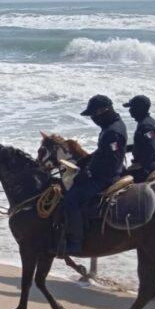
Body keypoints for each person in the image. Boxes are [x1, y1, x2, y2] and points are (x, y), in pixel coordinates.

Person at [60, 94, 127, 256]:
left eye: (93, 115)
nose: (92, 119)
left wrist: (87, 173)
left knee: (71, 200)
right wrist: (86, 160)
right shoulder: (112, 126)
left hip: (106, 177)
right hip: (106, 172)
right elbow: (102, 151)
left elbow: (110, 162)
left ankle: (75, 243)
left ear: (104, 112)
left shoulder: (112, 132)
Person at [123, 95, 155, 183]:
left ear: (138, 109)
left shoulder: (145, 126)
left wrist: (140, 165)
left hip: (145, 168)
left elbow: (150, 148)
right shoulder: (150, 121)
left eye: (132, 107)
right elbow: (144, 144)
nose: (130, 110)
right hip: (153, 162)